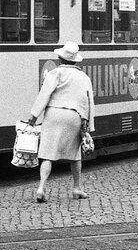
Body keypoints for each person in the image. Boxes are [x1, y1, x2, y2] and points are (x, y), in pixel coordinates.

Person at [28, 42, 95, 202]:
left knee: (47, 155)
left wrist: (33, 116)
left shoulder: (54, 73)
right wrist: (88, 126)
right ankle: (77, 188)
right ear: (76, 60)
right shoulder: (84, 77)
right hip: (74, 116)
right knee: (75, 155)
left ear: (60, 58)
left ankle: (41, 188)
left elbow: (44, 95)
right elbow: (88, 101)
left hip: (53, 114)